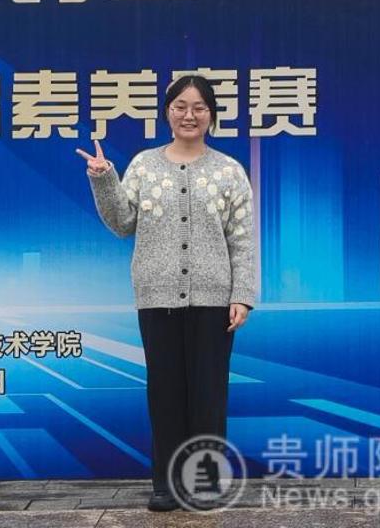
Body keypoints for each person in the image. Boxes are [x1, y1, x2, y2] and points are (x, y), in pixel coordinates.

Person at [76, 74, 257, 511]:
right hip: (156, 296)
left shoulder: (229, 171)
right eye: (180, 106)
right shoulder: (143, 165)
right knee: (165, 394)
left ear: (211, 114)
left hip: (214, 299)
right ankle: (167, 484)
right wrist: (104, 178)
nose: (189, 115)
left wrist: (243, 293)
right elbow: (123, 223)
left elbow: (243, 239)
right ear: (167, 112)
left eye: (198, 107)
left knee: (209, 395)